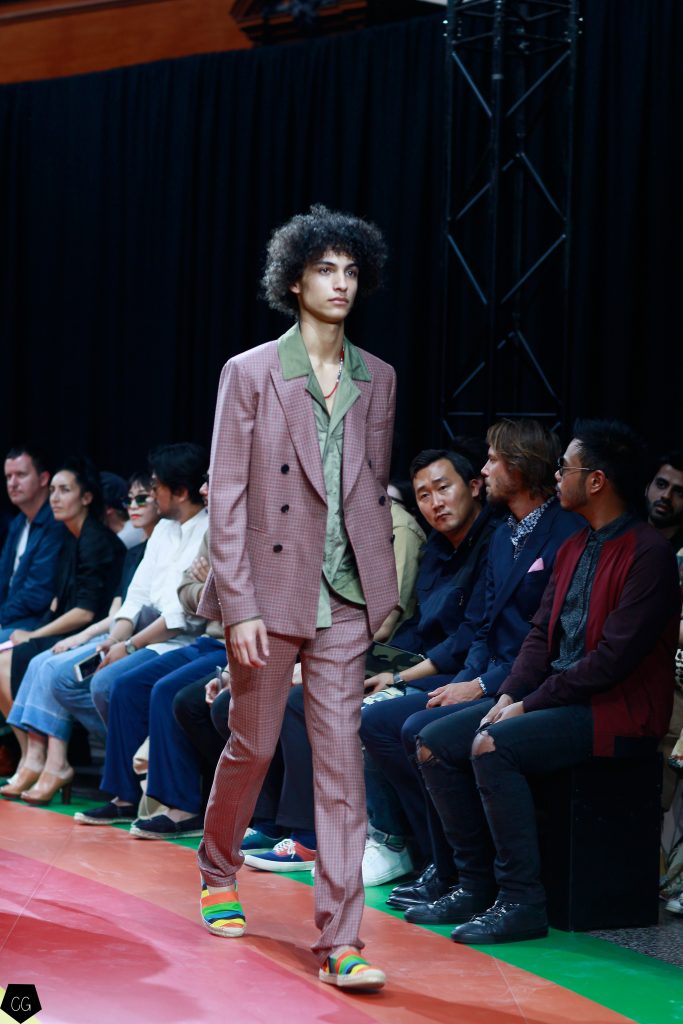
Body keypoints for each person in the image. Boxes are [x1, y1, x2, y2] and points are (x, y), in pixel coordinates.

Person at [196, 205, 397, 991]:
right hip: (270, 592)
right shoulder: (249, 373)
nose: (340, 283)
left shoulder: (377, 377)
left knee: (341, 763)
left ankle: (341, 940)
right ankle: (218, 870)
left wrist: (380, 592)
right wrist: (238, 604)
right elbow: (227, 496)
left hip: (344, 596)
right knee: (252, 745)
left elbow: (368, 487)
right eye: (324, 270)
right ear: (293, 281)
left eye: (350, 271)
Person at [415, 420, 681, 944]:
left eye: (566, 468)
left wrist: (528, 704)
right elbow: (540, 636)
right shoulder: (575, 544)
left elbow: (610, 662)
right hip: (559, 697)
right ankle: (474, 884)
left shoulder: (647, 554)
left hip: (615, 710)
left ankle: (522, 900)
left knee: (492, 745)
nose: (558, 476)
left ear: (596, 481)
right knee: (432, 742)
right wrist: (509, 693)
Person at [363, 421, 581, 911]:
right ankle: (444, 867)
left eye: (493, 459)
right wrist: (465, 682)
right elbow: (482, 629)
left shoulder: (565, 533)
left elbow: (546, 640)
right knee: (408, 720)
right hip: (490, 672)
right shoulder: (504, 536)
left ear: (520, 466)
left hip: (531, 680)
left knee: (420, 729)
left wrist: (481, 684)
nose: (485, 468)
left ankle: (464, 874)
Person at [2, 473, 158, 803]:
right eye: (129, 499)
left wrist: (113, 641)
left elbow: (92, 612)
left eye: (142, 498)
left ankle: (56, 761)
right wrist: (92, 637)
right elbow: (120, 610)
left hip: (144, 642)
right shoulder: (130, 552)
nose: (133, 506)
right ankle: (35, 758)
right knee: (42, 662)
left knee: (50, 668)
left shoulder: (103, 542)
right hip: (111, 635)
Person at [0, 446, 65, 640]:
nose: (12, 483)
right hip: (10, 618)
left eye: (20, 475)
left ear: (44, 479)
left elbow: (38, 593)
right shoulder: (18, 522)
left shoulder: (56, 523)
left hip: (35, 623)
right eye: (8, 477)